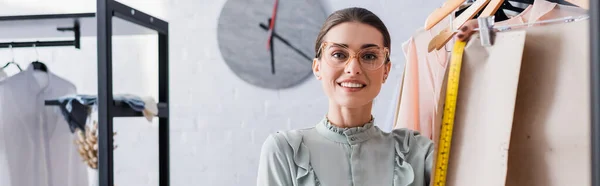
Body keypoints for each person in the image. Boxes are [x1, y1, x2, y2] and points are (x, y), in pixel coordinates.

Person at [257, 7, 434, 186]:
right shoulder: (284, 151)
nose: (353, 68)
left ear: (386, 71)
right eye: (339, 55)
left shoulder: (416, 152)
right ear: (317, 67)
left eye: (369, 56)